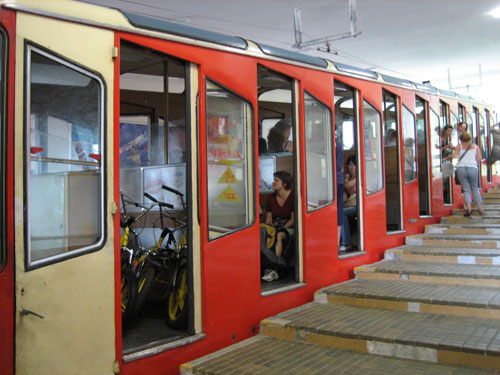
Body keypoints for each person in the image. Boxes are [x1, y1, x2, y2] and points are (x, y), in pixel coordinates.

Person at [262, 171, 294, 281]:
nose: (273, 183)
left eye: (276, 180)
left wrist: (282, 227)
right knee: (265, 235)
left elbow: (293, 220)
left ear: (284, 184)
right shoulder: (270, 198)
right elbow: (268, 219)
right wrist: (270, 226)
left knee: (278, 236)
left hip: (290, 227)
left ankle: (275, 268)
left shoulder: (293, 196)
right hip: (276, 225)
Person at [444, 132, 485, 216]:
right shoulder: (475, 147)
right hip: (473, 168)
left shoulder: (459, 146)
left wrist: (447, 157)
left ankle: (469, 209)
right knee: (475, 188)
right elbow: (479, 158)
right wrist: (472, 162)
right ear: (469, 139)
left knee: (466, 189)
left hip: (461, 169)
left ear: (461, 139)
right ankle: (480, 208)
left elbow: (453, 156)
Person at [340, 155, 357, 250]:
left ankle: (346, 242)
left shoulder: (358, 176)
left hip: (357, 205)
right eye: (348, 165)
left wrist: (345, 178)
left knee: (342, 213)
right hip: (349, 203)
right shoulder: (349, 177)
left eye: (352, 165)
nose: (349, 168)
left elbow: (347, 185)